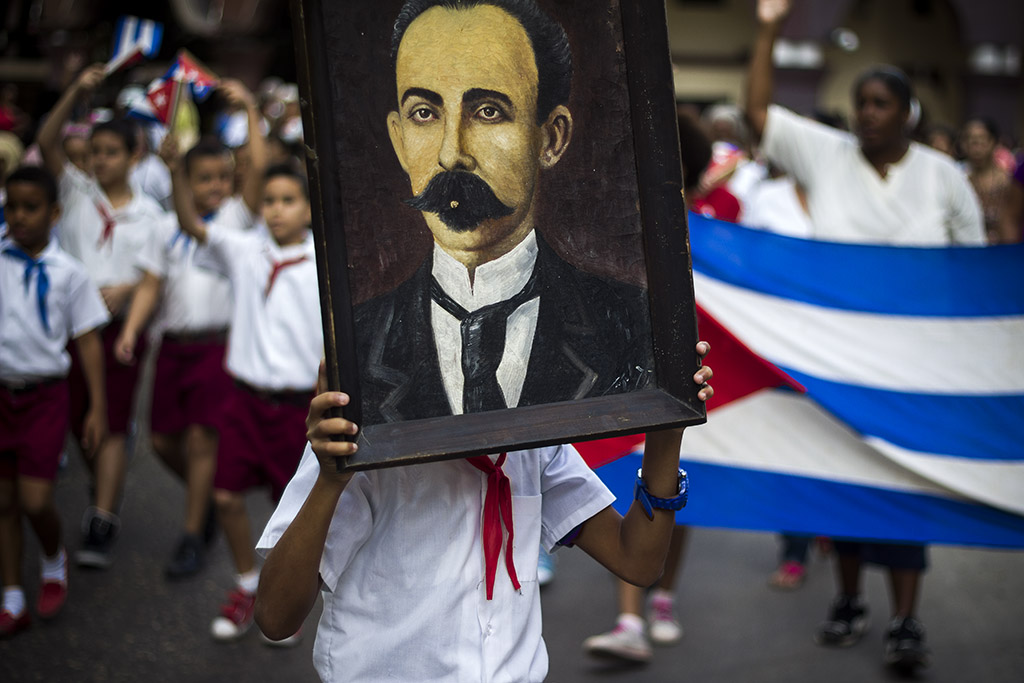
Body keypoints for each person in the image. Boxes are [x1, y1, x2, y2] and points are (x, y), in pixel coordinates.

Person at [746, 0, 985, 675]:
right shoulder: (828, 155)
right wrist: (767, 30)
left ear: (907, 112)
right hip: (839, 364)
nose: (866, 113)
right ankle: (849, 600)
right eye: (860, 101)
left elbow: (971, 275)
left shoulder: (946, 179)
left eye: (880, 103)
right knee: (843, 486)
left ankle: (906, 615)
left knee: (906, 491)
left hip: (914, 372)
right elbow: (761, 116)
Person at [254, 348, 713, 681]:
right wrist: (331, 479)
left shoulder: (535, 440)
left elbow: (637, 562)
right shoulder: (362, 445)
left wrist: (666, 431)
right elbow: (276, 618)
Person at [355, 0, 653, 427]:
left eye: (488, 111)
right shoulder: (356, 340)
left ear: (550, 138)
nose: (451, 154)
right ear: (400, 141)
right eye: (425, 114)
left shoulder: (632, 326)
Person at [162, 135, 321, 643]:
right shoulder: (244, 248)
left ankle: (282, 598)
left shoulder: (324, 263)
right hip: (245, 399)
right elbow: (192, 225)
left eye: (288, 201)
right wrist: (172, 171)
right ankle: (246, 582)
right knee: (227, 495)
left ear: (308, 209)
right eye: (270, 201)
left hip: (298, 408)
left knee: (290, 510)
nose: (276, 211)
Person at [114, 80, 267, 579]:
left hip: (216, 348)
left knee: (203, 441)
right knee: (162, 441)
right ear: (187, 178)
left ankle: (190, 536)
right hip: (173, 349)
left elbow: (258, 169)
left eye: (224, 177)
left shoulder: (236, 220)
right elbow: (150, 285)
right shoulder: (165, 226)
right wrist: (133, 330)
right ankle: (203, 507)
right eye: (204, 178)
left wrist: (247, 106)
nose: (216, 187)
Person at [35, 63, 165, 569]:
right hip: (62, 329)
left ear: (134, 155)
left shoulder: (150, 215)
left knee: (110, 422)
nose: (101, 161)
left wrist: (127, 290)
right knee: (76, 418)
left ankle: (102, 516)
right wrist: (75, 90)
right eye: (95, 153)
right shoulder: (74, 192)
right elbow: (47, 142)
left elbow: (152, 277)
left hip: (115, 334)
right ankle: (100, 480)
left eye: (112, 152)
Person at [0, 166, 109, 636]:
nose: (19, 216)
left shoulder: (71, 274)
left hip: (45, 397)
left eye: (31, 207)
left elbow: (87, 342)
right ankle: (11, 596)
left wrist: (97, 407)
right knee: (3, 501)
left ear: (55, 212)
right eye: (12, 207)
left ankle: (51, 558)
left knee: (35, 499)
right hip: (2, 393)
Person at [961, 118, 1011, 244]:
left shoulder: (1007, 181)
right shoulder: (961, 180)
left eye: (982, 141)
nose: (977, 148)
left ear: (994, 142)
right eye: (972, 142)